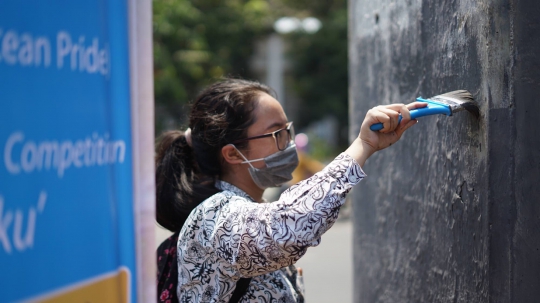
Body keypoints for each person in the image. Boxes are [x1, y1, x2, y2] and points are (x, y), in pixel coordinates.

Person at [155, 78, 426, 303]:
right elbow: (291, 225)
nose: (288, 144)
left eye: (288, 130)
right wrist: (363, 145)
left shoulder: (247, 209)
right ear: (233, 154)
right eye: (277, 134)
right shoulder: (212, 217)